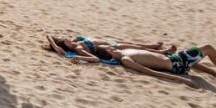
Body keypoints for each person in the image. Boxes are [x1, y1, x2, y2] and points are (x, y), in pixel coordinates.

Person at [108, 45, 216, 88]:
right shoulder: (125, 59)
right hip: (176, 64)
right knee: (208, 49)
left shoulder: (124, 50)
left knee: (193, 59)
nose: (111, 47)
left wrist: (166, 50)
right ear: (109, 54)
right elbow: (149, 72)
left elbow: (147, 51)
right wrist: (182, 79)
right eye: (108, 49)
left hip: (175, 58)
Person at [44, 35, 172, 63]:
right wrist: (56, 47)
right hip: (109, 47)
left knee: (131, 42)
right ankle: (161, 52)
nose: (67, 38)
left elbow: (49, 35)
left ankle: (154, 46)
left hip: (110, 42)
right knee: (135, 47)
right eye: (65, 40)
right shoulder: (78, 48)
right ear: (66, 45)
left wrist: (54, 44)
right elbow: (94, 59)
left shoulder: (77, 41)